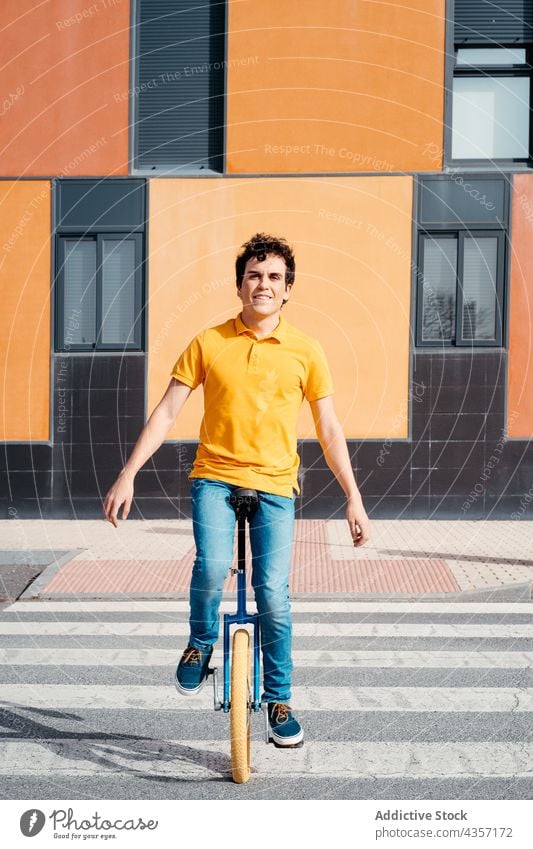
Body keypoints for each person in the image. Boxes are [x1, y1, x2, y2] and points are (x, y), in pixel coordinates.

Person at [103, 232, 370, 747]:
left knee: (273, 594)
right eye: (254, 275)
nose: (263, 285)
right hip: (214, 478)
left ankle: (279, 700)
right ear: (239, 285)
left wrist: (353, 497)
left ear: (288, 289)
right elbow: (166, 412)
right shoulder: (208, 342)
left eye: (274, 277)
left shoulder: (306, 351)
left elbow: (330, 429)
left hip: (274, 485)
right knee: (210, 564)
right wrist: (128, 472)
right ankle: (200, 644)